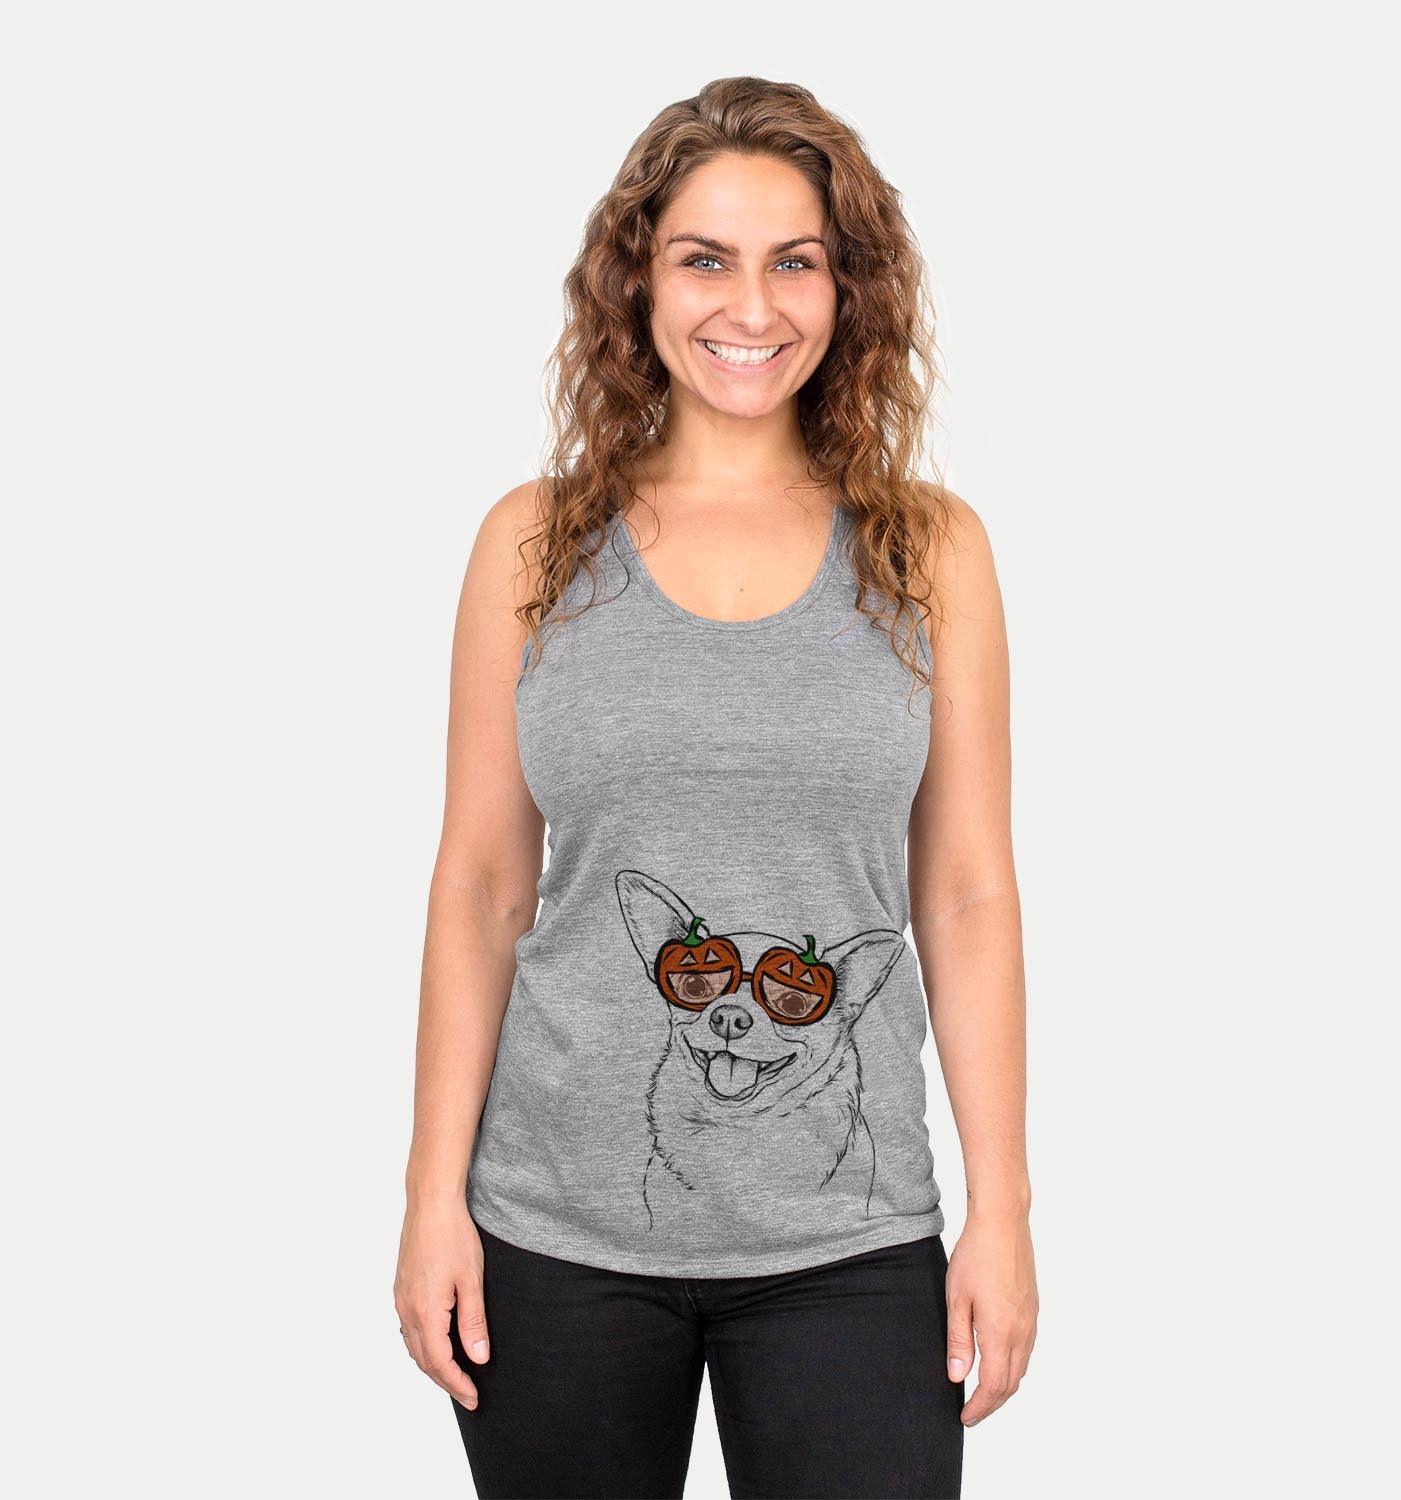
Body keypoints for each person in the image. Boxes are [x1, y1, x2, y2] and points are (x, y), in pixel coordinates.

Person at [394, 76, 1038, 1500]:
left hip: (849, 1234)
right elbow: (482, 886)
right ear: (639, 281)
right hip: (553, 1231)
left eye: (793, 261)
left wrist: (1003, 1210)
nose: (751, 307)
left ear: (848, 288)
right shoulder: (534, 544)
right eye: (706, 259)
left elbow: (966, 892)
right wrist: (431, 1197)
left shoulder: (930, 551)